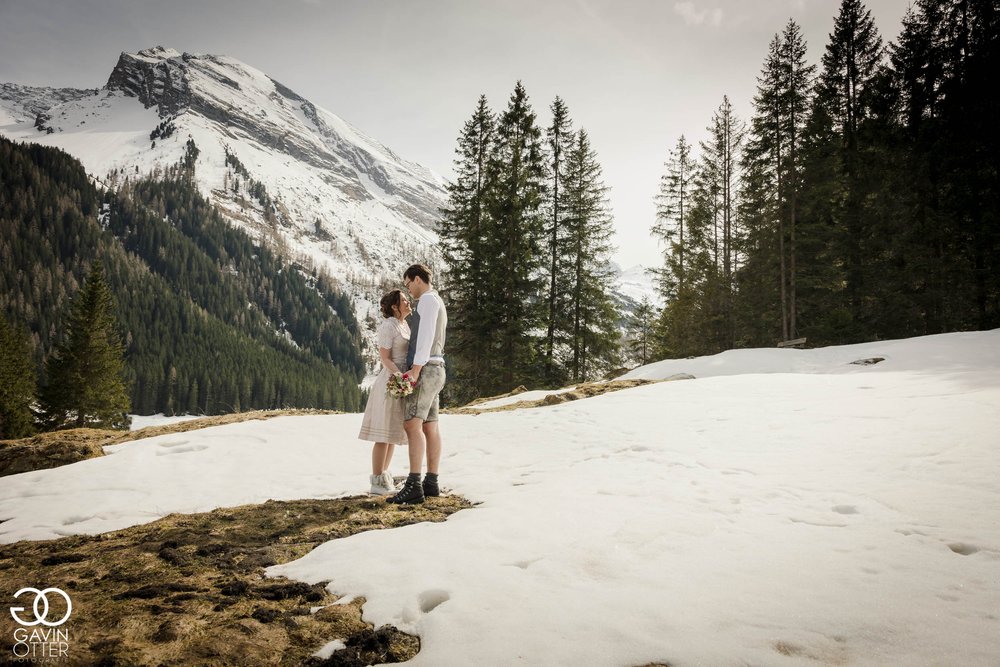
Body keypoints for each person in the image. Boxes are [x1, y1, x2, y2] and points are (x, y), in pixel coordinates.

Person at [388, 263, 448, 505]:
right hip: (437, 368)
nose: (408, 289)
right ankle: (431, 482)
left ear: (417, 279)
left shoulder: (427, 301)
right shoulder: (437, 301)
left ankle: (414, 485)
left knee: (412, 424)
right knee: (430, 426)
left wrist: (415, 369)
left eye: (408, 283)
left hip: (425, 369)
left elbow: (424, 337)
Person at [358, 289, 412, 495]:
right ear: (394, 306)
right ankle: (376, 480)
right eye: (404, 300)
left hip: (401, 379)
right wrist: (400, 375)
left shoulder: (404, 324)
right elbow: (385, 358)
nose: (408, 302)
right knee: (383, 433)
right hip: (391, 379)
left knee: (391, 432)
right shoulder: (388, 326)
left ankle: (384, 475)